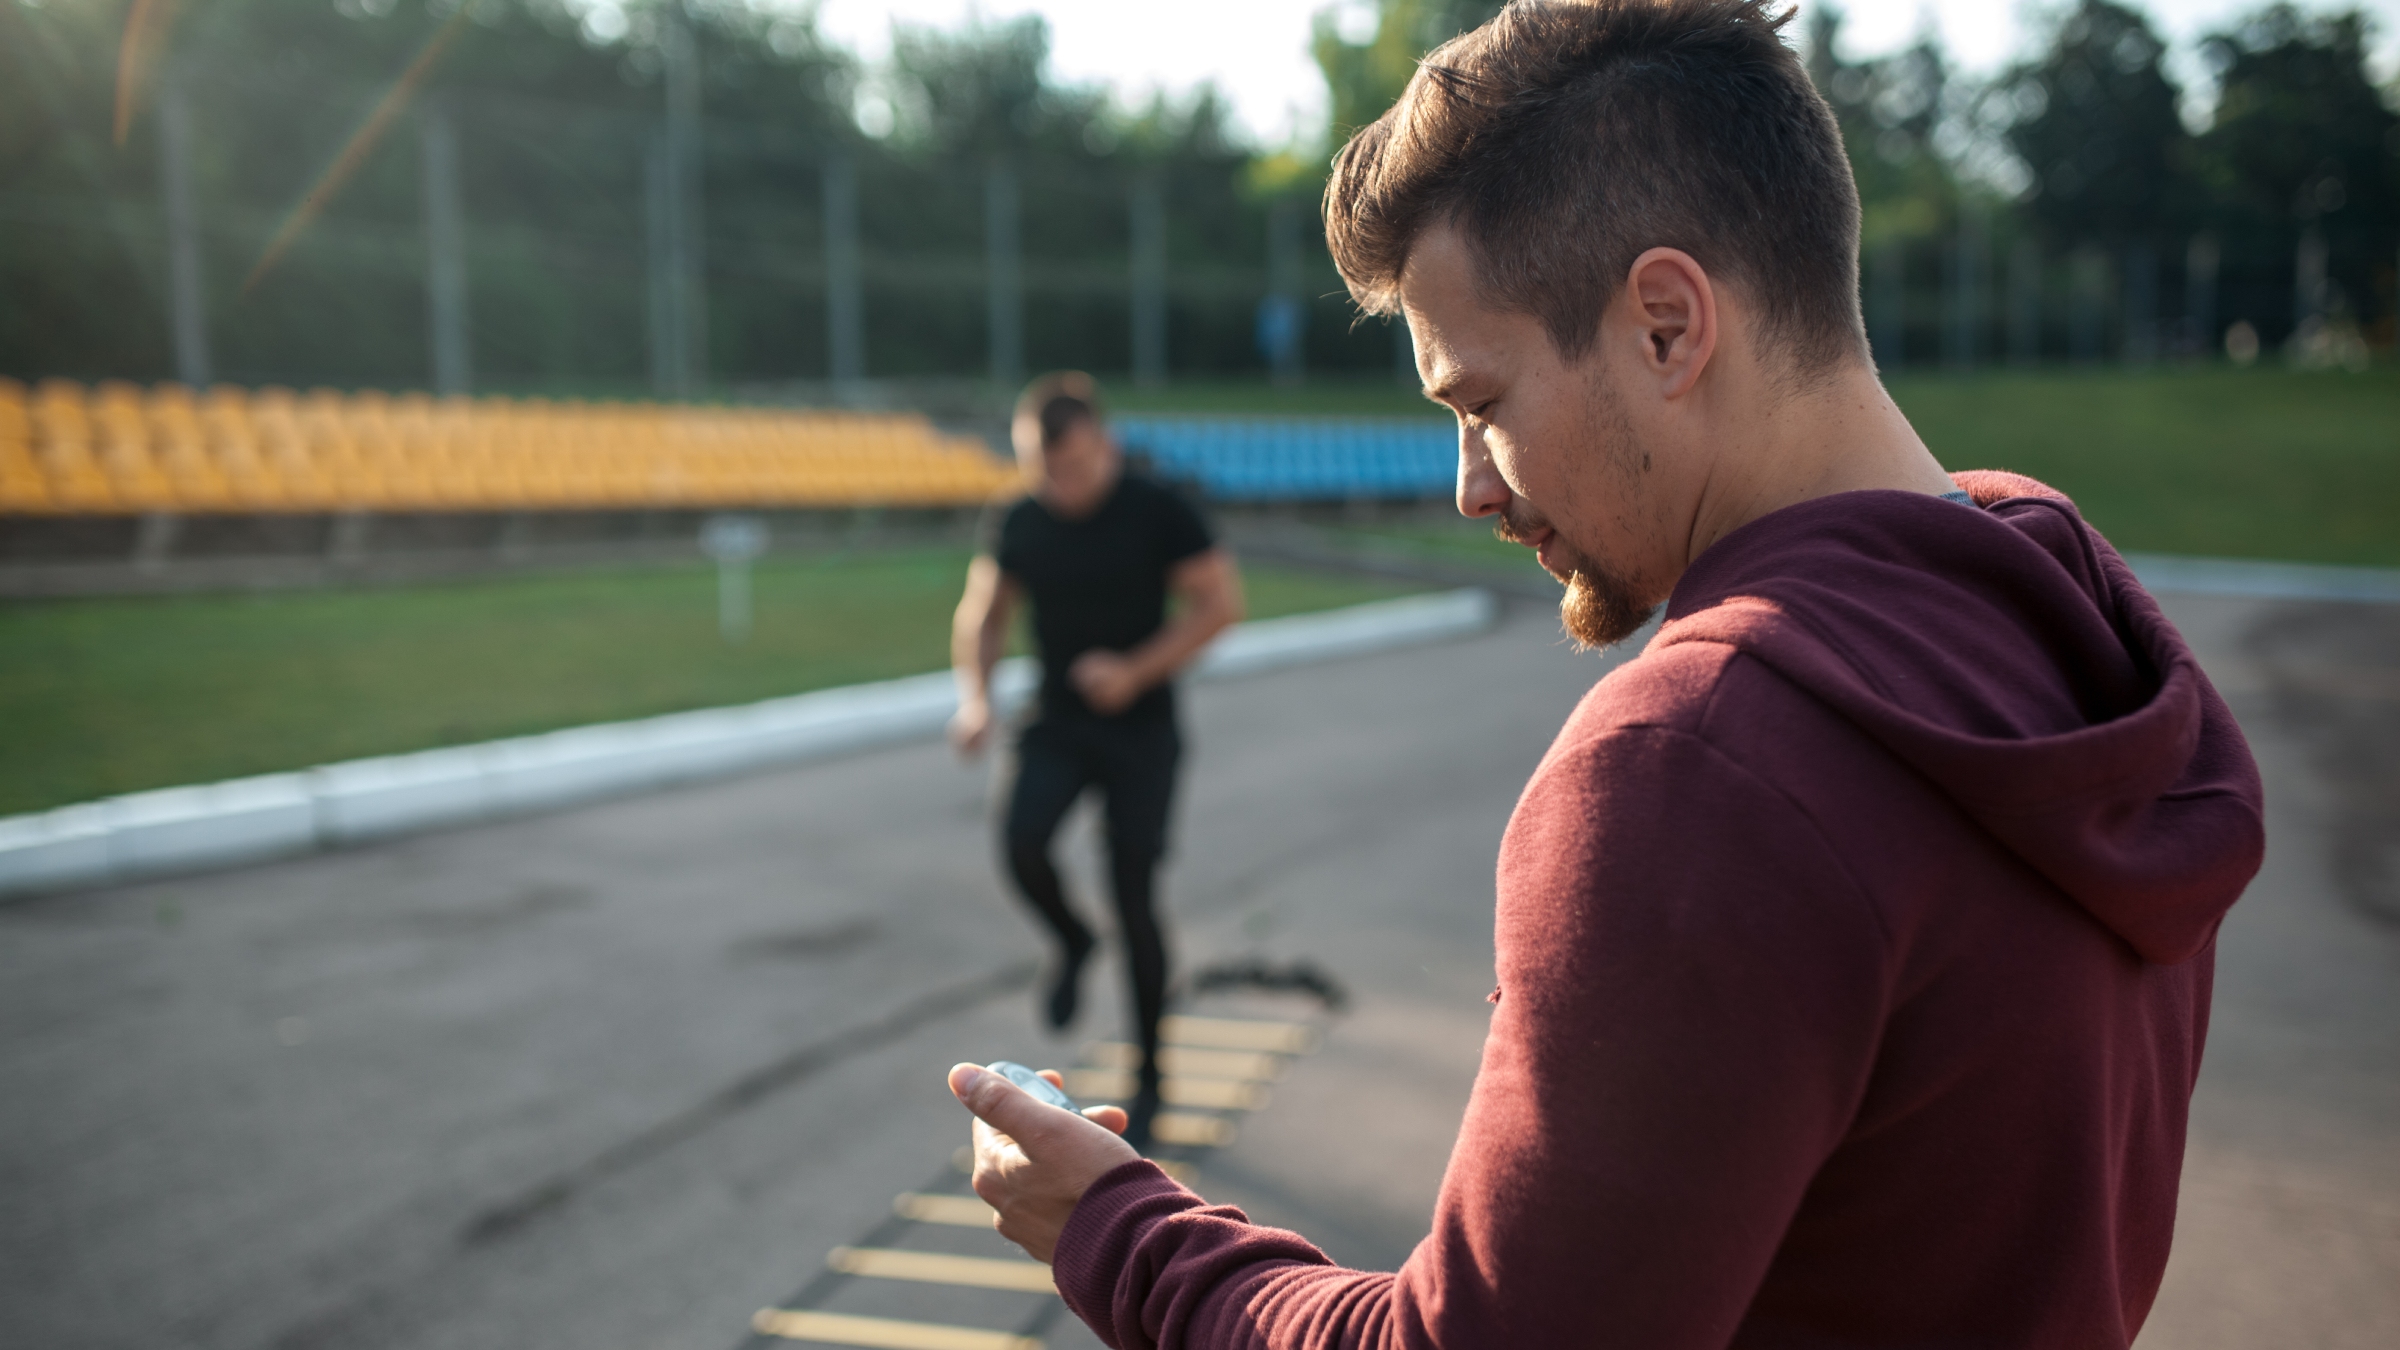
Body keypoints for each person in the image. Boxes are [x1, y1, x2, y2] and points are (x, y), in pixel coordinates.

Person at [942, 2, 2266, 1346]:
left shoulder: (1704, 761)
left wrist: (1115, 1228)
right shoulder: (2067, 632)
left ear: (1668, 327)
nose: (1469, 487)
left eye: (1481, 404)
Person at [949, 371, 1245, 1150]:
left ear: (1102, 445)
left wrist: (1133, 671)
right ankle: (1072, 942)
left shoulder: (1157, 507)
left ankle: (1152, 1076)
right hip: (1057, 717)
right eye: (1043, 469)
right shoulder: (1019, 517)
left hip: (1140, 728)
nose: (1060, 483)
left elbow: (1220, 604)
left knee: (1134, 896)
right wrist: (976, 699)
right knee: (1020, 843)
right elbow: (984, 614)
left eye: (1074, 466)